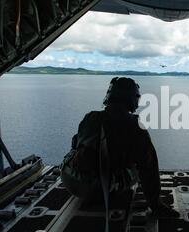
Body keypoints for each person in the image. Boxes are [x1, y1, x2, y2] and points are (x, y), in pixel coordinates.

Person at [63, 77, 178, 218]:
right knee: (138, 167)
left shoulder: (90, 117)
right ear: (132, 99)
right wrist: (155, 205)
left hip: (70, 181)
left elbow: (76, 144)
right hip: (99, 189)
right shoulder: (136, 127)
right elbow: (149, 167)